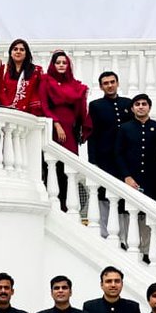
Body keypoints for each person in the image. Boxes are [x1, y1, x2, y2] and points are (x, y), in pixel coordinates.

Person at [116, 93, 156, 252]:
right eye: (137, 104)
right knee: (128, 213)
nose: (140, 107)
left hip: (152, 180)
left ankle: (146, 251)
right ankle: (127, 247)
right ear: (132, 108)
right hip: (130, 179)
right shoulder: (125, 128)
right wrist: (126, 176)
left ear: (149, 107)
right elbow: (118, 154)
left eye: (144, 104)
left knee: (147, 216)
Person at [42, 51, 92, 212]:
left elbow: (80, 111)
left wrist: (82, 129)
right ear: (53, 65)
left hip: (70, 130)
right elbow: (44, 105)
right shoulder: (46, 81)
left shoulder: (75, 85)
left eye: (64, 62)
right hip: (54, 129)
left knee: (69, 168)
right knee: (52, 165)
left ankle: (66, 207)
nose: (61, 65)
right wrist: (56, 124)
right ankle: (52, 204)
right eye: (58, 62)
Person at [87, 70, 133, 240]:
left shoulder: (128, 103)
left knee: (125, 198)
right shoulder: (96, 105)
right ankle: (105, 234)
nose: (110, 85)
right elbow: (92, 134)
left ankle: (125, 238)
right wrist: (93, 161)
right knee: (104, 195)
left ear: (117, 83)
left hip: (126, 158)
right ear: (101, 87)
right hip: (105, 158)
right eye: (106, 83)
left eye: (112, 82)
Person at [0, 39, 43, 114]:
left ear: (26, 53)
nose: (18, 52)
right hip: (7, 112)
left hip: (30, 114)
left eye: (22, 50)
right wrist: (7, 107)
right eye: (15, 49)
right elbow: (0, 91)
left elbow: (43, 92)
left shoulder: (37, 71)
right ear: (11, 53)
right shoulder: (3, 69)